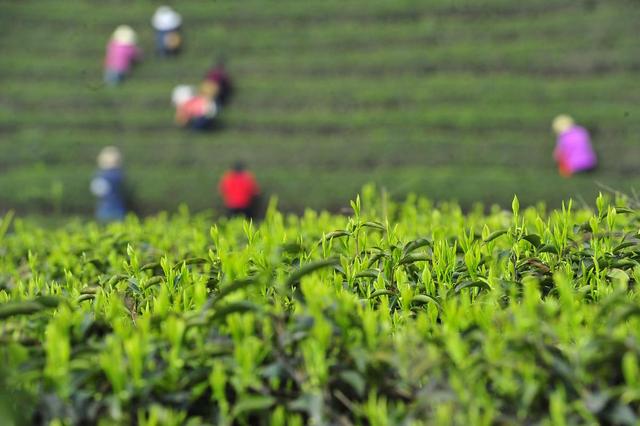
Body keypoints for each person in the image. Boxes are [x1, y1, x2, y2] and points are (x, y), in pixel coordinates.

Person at [90, 147, 126, 222]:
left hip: (106, 209)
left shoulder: (100, 175)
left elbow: (97, 191)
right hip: (113, 209)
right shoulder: (119, 174)